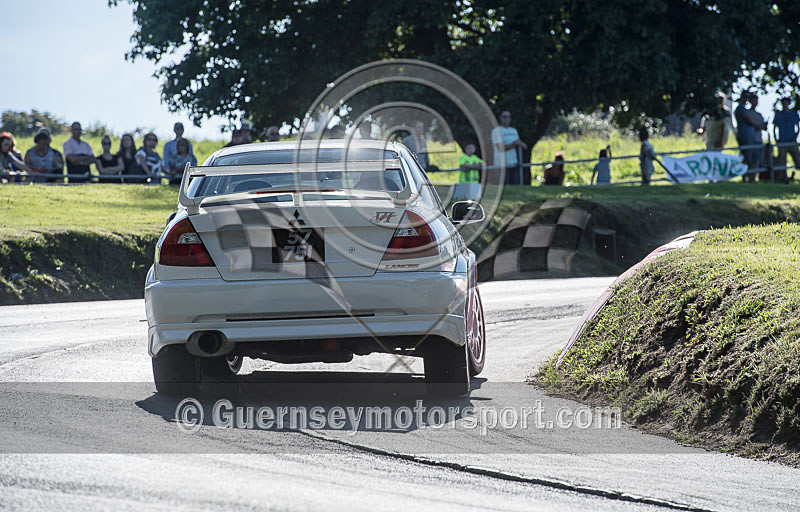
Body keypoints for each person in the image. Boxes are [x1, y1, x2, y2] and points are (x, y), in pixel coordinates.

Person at [491, 110, 527, 185]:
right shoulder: (496, 131)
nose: (506, 119)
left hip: (513, 163)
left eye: (508, 117)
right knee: (504, 187)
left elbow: (520, 143)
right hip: (502, 164)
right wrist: (514, 144)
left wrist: (522, 144)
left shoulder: (514, 131)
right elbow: (500, 148)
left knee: (514, 186)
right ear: (500, 118)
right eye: (504, 117)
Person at [734, 92, 761, 183]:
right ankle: (744, 178)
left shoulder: (744, 109)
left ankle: (751, 179)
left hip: (750, 138)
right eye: (745, 97)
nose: (747, 99)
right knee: (746, 159)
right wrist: (756, 122)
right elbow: (751, 121)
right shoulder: (740, 108)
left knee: (752, 159)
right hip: (745, 137)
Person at [772, 97, 799, 183]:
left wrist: (795, 137)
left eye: (786, 102)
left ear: (789, 103)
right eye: (783, 102)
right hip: (782, 142)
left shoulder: (794, 114)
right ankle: (785, 178)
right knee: (782, 161)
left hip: (791, 141)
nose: (785, 104)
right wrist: (776, 139)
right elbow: (774, 127)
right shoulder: (778, 114)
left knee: (798, 159)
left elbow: (797, 126)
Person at [748, 93, 770, 181]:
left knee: (757, 160)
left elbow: (763, 128)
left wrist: (764, 125)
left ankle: (753, 179)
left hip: (758, 140)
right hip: (751, 140)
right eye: (753, 100)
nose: (755, 102)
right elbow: (755, 126)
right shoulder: (748, 113)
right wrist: (760, 125)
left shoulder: (759, 115)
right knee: (750, 160)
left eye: (756, 100)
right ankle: (749, 178)